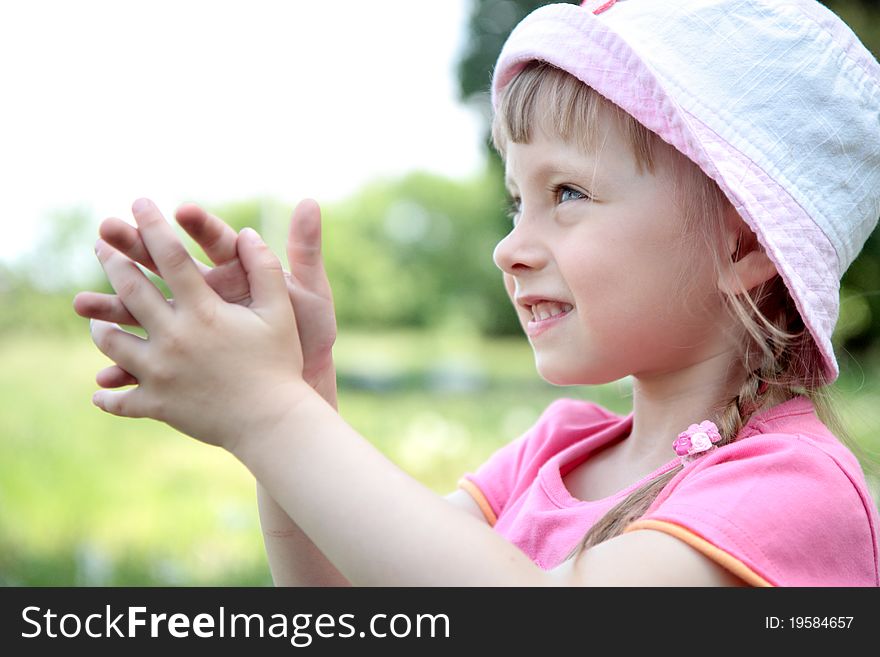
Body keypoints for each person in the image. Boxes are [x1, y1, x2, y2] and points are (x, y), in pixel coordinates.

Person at [73, 0, 880, 586]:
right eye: (515, 201)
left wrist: (269, 412)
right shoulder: (553, 451)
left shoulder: (795, 489)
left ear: (742, 243)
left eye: (567, 192)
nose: (509, 247)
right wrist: (301, 387)